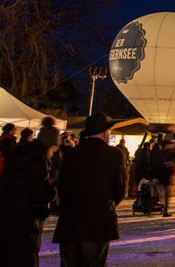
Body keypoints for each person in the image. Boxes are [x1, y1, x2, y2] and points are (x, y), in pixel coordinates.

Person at [53, 113, 127, 267]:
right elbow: (120, 189)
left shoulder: (70, 154)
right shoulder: (113, 154)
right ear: (105, 133)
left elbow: (62, 186)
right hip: (97, 220)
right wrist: (108, 203)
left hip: (70, 220)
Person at [0, 123, 56, 266]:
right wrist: (51, 187)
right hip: (25, 216)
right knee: (26, 255)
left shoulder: (19, 151)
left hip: (9, 210)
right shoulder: (38, 160)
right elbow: (40, 192)